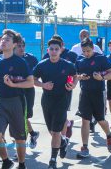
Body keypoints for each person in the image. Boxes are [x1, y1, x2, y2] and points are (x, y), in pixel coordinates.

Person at [0, 29, 34, 169]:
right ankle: (6, 161)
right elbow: (0, 76)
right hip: (1, 102)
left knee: (19, 138)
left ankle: (21, 164)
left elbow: (30, 82)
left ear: (14, 44)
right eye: (2, 39)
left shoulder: (20, 62)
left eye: (7, 40)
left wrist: (14, 84)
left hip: (17, 102)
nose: (3, 41)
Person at [33, 39, 78, 169]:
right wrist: (43, 85)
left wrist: (73, 85)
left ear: (61, 50)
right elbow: (33, 80)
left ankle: (53, 160)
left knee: (56, 132)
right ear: (48, 50)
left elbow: (75, 76)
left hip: (62, 100)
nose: (53, 51)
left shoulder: (67, 65)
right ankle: (64, 141)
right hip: (47, 101)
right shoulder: (42, 65)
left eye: (56, 49)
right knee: (53, 132)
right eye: (51, 49)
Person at [75, 38, 111, 159]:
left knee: (100, 119)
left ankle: (109, 135)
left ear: (93, 48)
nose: (86, 53)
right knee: (85, 120)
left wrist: (102, 78)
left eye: (88, 50)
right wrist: (80, 77)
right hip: (85, 93)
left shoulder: (101, 58)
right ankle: (85, 147)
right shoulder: (79, 59)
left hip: (98, 93)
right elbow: (75, 75)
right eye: (84, 51)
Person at [43, 35, 78, 139]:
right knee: (56, 114)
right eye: (52, 47)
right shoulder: (47, 56)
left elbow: (77, 68)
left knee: (61, 111)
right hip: (49, 91)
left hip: (65, 88)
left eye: (58, 45)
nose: (55, 50)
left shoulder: (71, 55)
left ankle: (62, 138)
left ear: (62, 45)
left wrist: (73, 83)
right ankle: (67, 125)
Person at [71, 29, 102, 133]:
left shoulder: (96, 48)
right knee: (84, 96)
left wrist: (101, 75)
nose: (83, 37)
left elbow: (102, 62)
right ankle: (87, 117)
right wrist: (78, 76)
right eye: (81, 36)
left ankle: (93, 119)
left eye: (85, 35)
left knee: (94, 107)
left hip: (96, 82)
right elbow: (72, 64)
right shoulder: (75, 48)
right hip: (83, 80)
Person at [14, 37, 40, 150]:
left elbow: (35, 77)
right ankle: (30, 136)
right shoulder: (10, 58)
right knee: (18, 118)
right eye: (19, 46)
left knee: (23, 117)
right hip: (14, 91)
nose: (21, 48)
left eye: (22, 46)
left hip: (28, 91)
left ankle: (22, 143)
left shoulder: (31, 59)